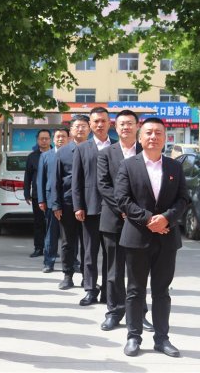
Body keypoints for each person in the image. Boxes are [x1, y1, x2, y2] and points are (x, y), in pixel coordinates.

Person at [115, 117, 189, 358]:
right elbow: (122, 199)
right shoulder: (128, 165)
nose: (153, 137)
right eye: (148, 132)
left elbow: (184, 199)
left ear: (165, 138)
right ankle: (133, 337)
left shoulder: (174, 166)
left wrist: (166, 218)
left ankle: (162, 339)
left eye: (158, 132)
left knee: (162, 291)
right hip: (137, 237)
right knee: (135, 290)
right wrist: (149, 220)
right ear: (140, 137)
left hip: (167, 239)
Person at [97, 109, 154, 333]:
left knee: (138, 271)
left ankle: (139, 314)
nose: (126, 127)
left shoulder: (146, 150)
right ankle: (114, 312)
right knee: (114, 271)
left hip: (139, 221)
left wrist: (135, 213)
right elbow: (103, 185)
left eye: (130, 123)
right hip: (113, 219)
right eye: (122, 124)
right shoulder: (106, 153)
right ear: (116, 126)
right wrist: (123, 209)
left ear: (137, 126)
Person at [72, 106, 114, 306]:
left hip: (112, 209)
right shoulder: (82, 148)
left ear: (109, 123)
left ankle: (108, 291)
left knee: (110, 253)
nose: (99, 124)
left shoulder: (117, 147)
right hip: (89, 208)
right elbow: (76, 180)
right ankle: (90, 289)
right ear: (90, 124)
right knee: (89, 252)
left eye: (103, 121)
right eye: (96, 121)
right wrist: (78, 206)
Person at [51, 115, 89, 290]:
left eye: (83, 126)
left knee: (88, 243)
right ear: (71, 130)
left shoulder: (95, 150)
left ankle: (87, 277)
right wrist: (56, 204)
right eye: (77, 126)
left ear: (89, 129)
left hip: (90, 204)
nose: (80, 129)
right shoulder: (63, 152)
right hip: (67, 204)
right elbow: (56, 180)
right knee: (68, 242)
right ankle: (67, 275)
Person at [37, 128, 69, 273]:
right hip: (50, 200)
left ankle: (72, 261)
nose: (61, 139)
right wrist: (41, 200)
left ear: (68, 138)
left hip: (69, 199)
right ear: (53, 139)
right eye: (58, 136)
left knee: (70, 234)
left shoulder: (73, 153)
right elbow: (41, 179)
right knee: (51, 233)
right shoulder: (46, 156)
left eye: (63, 136)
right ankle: (48, 262)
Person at [24, 129, 52, 257]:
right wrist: (27, 193)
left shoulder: (56, 154)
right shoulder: (32, 157)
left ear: (50, 139)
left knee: (52, 224)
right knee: (39, 222)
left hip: (54, 194)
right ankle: (39, 248)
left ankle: (51, 249)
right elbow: (28, 177)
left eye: (46, 138)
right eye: (42, 139)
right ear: (37, 140)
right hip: (37, 195)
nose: (44, 141)